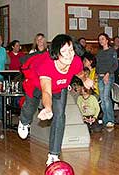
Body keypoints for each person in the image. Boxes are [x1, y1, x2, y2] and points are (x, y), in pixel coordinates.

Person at [17, 34, 93, 166]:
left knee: (60, 116)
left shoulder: (75, 61)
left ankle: (53, 155)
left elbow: (79, 73)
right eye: (64, 51)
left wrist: (85, 80)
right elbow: (46, 91)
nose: (69, 55)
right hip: (36, 83)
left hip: (60, 87)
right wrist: (47, 108)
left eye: (71, 50)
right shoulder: (46, 65)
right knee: (30, 106)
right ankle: (24, 122)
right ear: (56, 53)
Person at [96, 33, 118, 128]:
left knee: (106, 97)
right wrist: (97, 75)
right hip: (100, 76)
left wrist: (107, 74)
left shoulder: (112, 51)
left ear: (107, 40)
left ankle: (110, 119)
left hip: (109, 76)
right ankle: (105, 119)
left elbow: (115, 65)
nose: (101, 41)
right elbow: (98, 65)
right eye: (99, 39)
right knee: (102, 99)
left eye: (102, 39)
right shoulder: (99, 52)